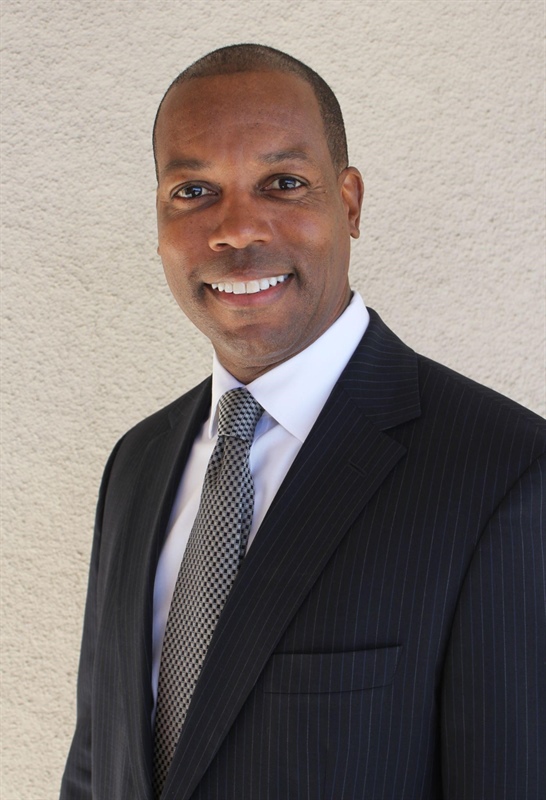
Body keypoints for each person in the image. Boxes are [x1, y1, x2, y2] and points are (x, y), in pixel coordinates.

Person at [60, 44, 545, 800]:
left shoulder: (503, 472)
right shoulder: (137, 464)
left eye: (282, 183)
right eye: (193, 190)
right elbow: (97, 767)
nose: (235, 229)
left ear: (348, 203)